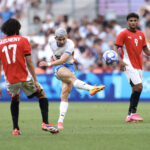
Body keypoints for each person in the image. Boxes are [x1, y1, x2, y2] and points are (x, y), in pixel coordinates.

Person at [0, 18, 59, 135]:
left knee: (15, 99)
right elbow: (29, 62)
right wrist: (36, 81)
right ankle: (45, 123)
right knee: (42, 94)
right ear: (17, 29)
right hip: (23, 76)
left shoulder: (0, 43)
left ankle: (15, 129)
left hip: (10, 79)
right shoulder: (23, 40)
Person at [39, 28, 105, 129]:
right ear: (55, 38)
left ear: (67, 37)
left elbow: (63, 59)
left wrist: (48, 63)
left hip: (69, 66)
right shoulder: (51, 42)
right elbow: (58, 61)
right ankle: (90, 88)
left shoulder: (70, 44)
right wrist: (50, 63)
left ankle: (60, 122)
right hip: (57, 67)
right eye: (59, 39)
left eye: (63, 39)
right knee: (71, 77)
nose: (61, 41)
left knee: (64, 94)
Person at [115, 13, 150, 122]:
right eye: (131, 20)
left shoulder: (141, 34)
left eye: (135, 20)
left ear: (138, 22)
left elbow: (145, 50)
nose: (133, 22)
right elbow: (116, 48)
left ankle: (129, 115)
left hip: (139, 65)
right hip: (127, 63)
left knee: (136, 88)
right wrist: (120, 61)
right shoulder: (123, 34)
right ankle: (133, 113)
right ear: (127, 22)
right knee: (139, 87)